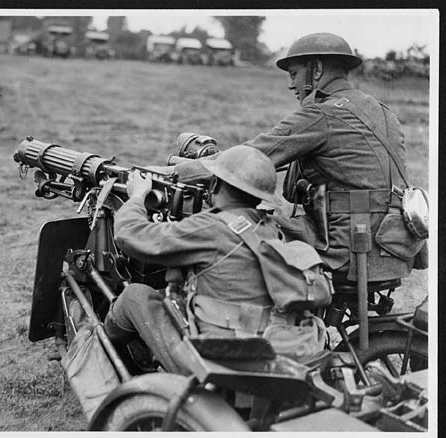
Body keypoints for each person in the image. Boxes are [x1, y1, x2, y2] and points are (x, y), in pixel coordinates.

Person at [170, 32, 425, 283]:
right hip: (394, 245)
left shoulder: (321, 114)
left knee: (231, 226)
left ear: (315, 70)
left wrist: (165, 171)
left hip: (348, 249)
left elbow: (246, 158)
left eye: (293, 74)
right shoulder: (383, 112)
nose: (291, 85)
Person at [104, 145, 324, 375]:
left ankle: (110, 366)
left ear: (215, 184)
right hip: (269, 348)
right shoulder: (269, 228)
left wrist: (137, 197)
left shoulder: (210, 228)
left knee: (135, 296)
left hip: (218, 358)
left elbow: (130, 235)